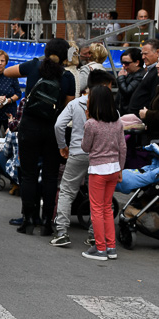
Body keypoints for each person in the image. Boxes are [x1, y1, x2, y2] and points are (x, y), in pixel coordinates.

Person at [5, 38, 77, 235]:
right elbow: (68, 106)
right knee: (50, 176)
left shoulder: (34, 66)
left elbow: (6, 72)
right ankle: (47, 222)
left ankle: (28, 221)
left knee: (28, 175)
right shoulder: (68, 77)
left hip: (29, 127)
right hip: (53, 130)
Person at [50, 69, 117, 248]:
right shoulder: (110, 108)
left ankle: (62, 232)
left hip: (78, 152)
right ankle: (95, 235)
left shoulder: (76, 103)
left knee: (67, 190)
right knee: (98, 197)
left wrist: (62, 146)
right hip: (102, 157)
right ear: (103, 86)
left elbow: (59, 125)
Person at [80, 84, 126, 260]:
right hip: (114, 168)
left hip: (98, 170)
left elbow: (85, 147)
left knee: (96, 210)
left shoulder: (91, 124)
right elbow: (123, 147)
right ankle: (111, 247)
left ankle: (100, 248)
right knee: (107, 208)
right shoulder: (117, 122)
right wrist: (121, 168)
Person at [127, 38, 159, 116]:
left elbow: (154, 97)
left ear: (157, 52)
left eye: (146, 54)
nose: (143, 57)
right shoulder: (151, 70)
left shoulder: (158, 72)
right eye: (142, 54)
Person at [116, 47, 144, 114]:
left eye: (126, 63)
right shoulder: (130, 74)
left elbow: (127, 92)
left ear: (137, 62)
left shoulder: (140, 76)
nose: (123, 66)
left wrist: (121, 78)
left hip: (131, 113)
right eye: (122, 63)